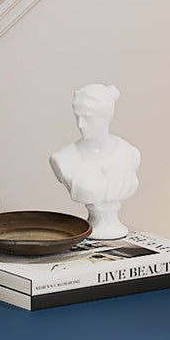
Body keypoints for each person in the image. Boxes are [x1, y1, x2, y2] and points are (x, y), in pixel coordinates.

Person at [49, 82, 140, 238]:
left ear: (106, 116)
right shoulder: (63, 158)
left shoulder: (130, 153)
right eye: (77, 117)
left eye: (88, 118)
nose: (80, 124)